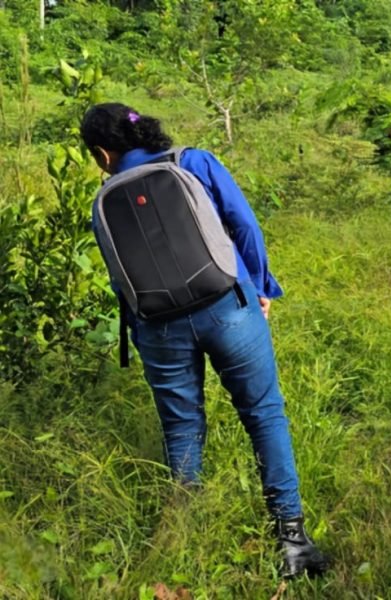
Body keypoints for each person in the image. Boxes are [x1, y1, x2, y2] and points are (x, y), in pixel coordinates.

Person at [80, 103, 328, 578]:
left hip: (159, 327)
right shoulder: (192, 162)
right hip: (227, 307)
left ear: (101, 153)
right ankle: (292, 540)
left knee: (181, 428)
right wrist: (258, 287)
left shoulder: (104, 199)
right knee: (263, 414)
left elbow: (120, 278)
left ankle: (186, 537)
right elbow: (246, 227)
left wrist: (144, 333)